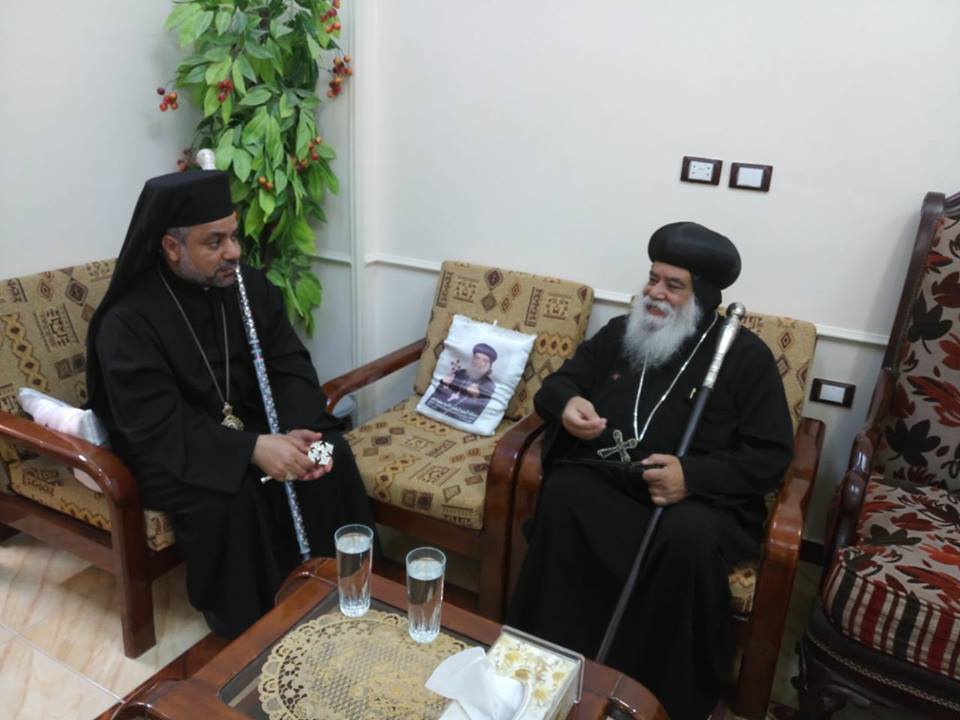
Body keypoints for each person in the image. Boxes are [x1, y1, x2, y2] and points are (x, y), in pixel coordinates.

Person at [506, 222, 794, 719]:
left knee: (685, 537)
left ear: (703, 297)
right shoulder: (623, 332)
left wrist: (692, 477)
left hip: (693, 502)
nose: (655, 292)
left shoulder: (745, 357)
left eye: (673, 285)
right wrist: (568, 404)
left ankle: (652, 694)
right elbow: (559, 385)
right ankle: (547, 660)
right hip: (613, 481)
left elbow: (770, 455)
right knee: (567, 491)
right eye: (653, 278)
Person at [86, 170, 376, 638]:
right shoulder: (128, 321)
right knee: (235, 495)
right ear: (172, 246)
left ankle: (342, 589)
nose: (234, 252)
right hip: (177, 449)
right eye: (215, 242)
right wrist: (252, 450)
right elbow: (155, 423)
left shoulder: (248, 287)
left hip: (262, 430)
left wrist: (294, 434)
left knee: (329, 453)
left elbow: (289, 365)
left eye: (234, 236)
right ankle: (257, 629)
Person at [424, 342, 498, 423]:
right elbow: (438, 394)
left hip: (461, 418)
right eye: (477, 358)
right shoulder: (460, 373)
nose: (479, 362)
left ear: (489, 365)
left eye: (484, 361)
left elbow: (480, 411)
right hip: (440, 410)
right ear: (472, 359)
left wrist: (475, 396)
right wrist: (445, 385)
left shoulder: (489, 385)